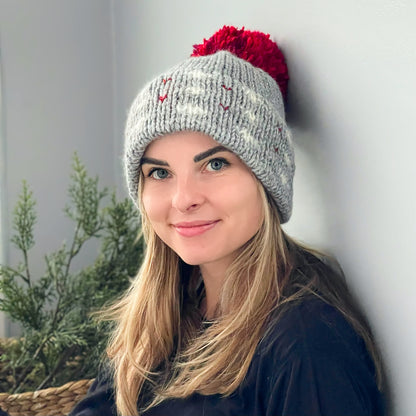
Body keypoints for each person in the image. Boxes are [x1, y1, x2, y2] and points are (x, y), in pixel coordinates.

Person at [69, 26, 386, 416]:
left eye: (215, 164)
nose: (184, 199)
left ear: (266, 179)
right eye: (160, 173)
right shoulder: (166, 306)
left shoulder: (307, 343)